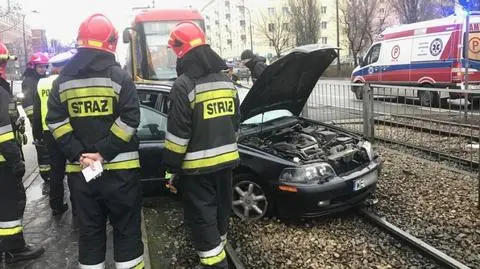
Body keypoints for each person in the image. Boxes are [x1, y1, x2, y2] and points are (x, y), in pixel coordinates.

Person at [46, 14, 144, 268]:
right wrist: (103, 153)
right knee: (127, 232)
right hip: (121, 174)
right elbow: (131, 119)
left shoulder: (62, 82)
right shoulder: (120, 78)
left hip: (81, 174)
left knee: (89, 234)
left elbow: (55, 122)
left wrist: (81, 154)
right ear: (111, 43)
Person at [164, 21, 241, 269]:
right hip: (227, 164)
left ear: (180, 51)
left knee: (203, 218)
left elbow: (178, 136)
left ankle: (215, 265)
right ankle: (216, 257)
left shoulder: (184, 84)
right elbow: (236, 122)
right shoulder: (227, 81)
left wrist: (171, 169)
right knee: (221, 213)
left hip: (197, 169)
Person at [0, 42, 45, 264]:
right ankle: (14, 250)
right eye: (3, 62)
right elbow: (3, 131)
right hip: (3, 163)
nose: (5, 67)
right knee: (12, 203)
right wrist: (15, 159)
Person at [34, 49, 77, 216]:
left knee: (56, 169)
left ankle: (56, 205)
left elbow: (37, 112)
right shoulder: (68, 81)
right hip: (68, 130)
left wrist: (37, 134)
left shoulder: (42, 83)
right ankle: (77, 206)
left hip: (48, 131)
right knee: (74, 167)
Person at [22, 52, 51, 194]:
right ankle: (46, 176)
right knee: (43, 150)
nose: (42, 69)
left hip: (48, 122)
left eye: (44, 66)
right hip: (38, 122)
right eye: (40, 66)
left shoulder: (44, 80)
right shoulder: (29, 81)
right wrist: (35, 121)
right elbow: (27, 103)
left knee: (49, 150)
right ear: (33, 66)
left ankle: (52, 173)